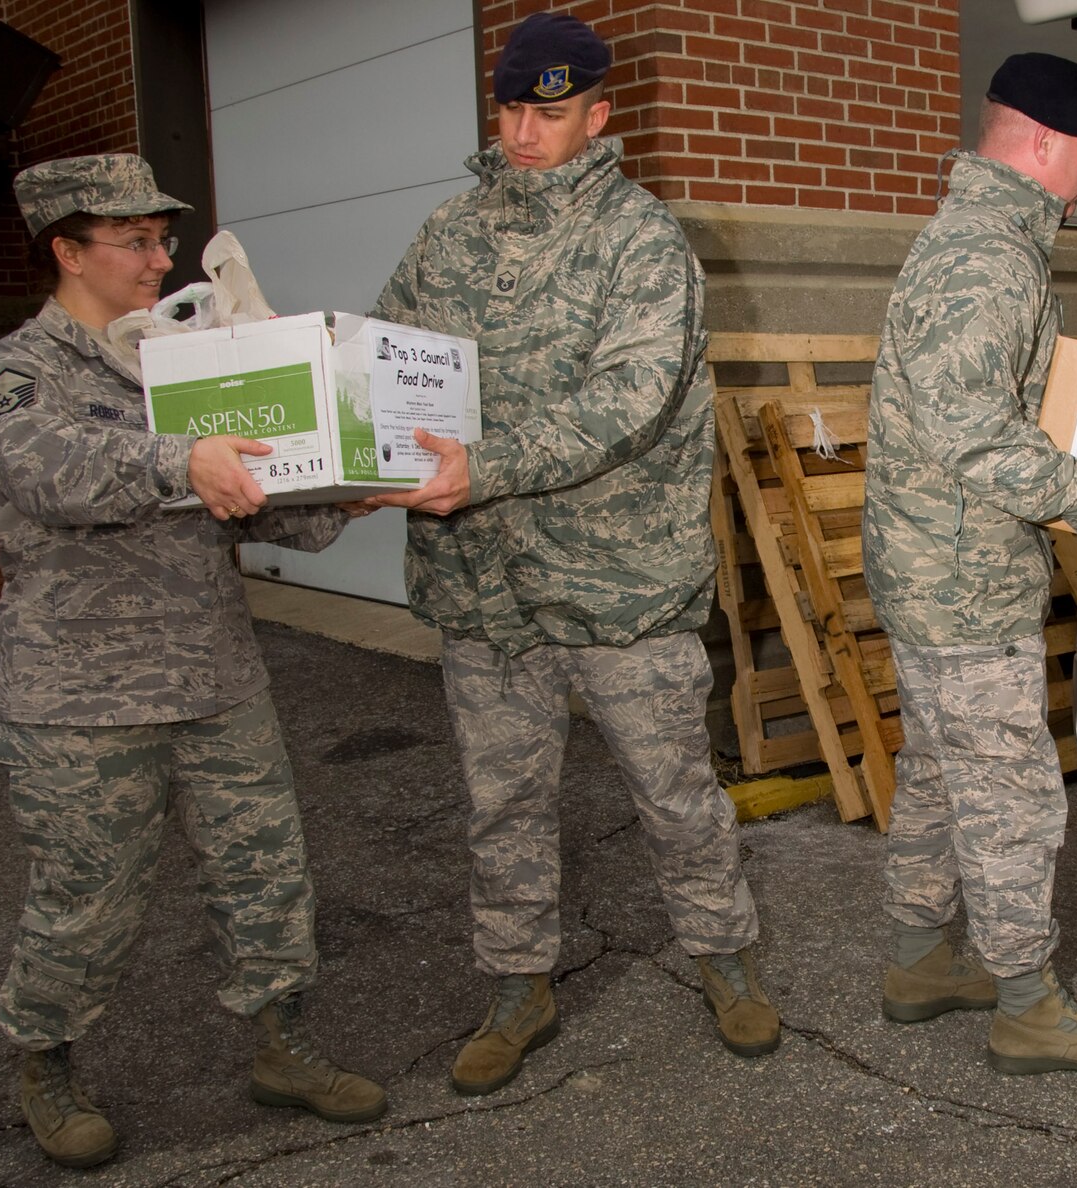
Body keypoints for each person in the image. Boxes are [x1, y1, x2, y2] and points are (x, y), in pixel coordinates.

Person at [366, 12, 776, 1093]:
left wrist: (485, 466)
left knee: (674, 793)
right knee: (502, 803)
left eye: (547, 114)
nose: (521, 133)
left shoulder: (640, 239)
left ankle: (724, 958)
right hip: (482, 583)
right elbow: (386, 358)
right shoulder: (448, 232)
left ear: (597, 117)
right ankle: (517, 987)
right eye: (508, 110)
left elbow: (629, 401)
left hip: (619, 583)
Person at [0, 154, 386, 1170]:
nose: (162, 261)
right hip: (80, 698)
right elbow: (51, 471)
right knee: (86, 899)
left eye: (164, 239)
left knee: (266, 875)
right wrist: (179, 458)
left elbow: (252, 496)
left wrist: (349, 483)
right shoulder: (20, 371)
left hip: (214, 677)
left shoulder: (184, 358)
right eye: (136, 242)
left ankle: (281, 1047)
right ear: (68, 251)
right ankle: (47, 1066)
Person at [863, 52, 1077, 1075]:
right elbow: (971, 432)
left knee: (937, 773)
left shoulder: (981, 241)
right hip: (961, 577)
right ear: (1044, 142)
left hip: (933, 564)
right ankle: (1027, 1006)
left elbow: (989, 398)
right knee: (1007, 794)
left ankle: (919, 962)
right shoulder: (988, 256)